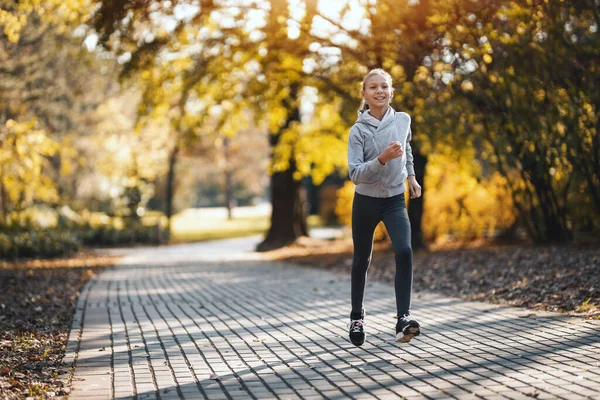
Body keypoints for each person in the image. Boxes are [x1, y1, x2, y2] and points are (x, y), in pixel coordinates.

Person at [347, 68, 422, 347]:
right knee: (361, 260)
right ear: (364, 94)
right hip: (365, 201)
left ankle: (403, 318)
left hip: (393, 199)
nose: (379, 91)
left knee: (404, 250)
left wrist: (412, 177)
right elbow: (355, 174)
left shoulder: (403, 120)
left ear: (391, 92)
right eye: (373, 87)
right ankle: (357, 316)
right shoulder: (357, 131)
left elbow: (408, 149)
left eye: (384, 87)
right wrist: (381, 158)